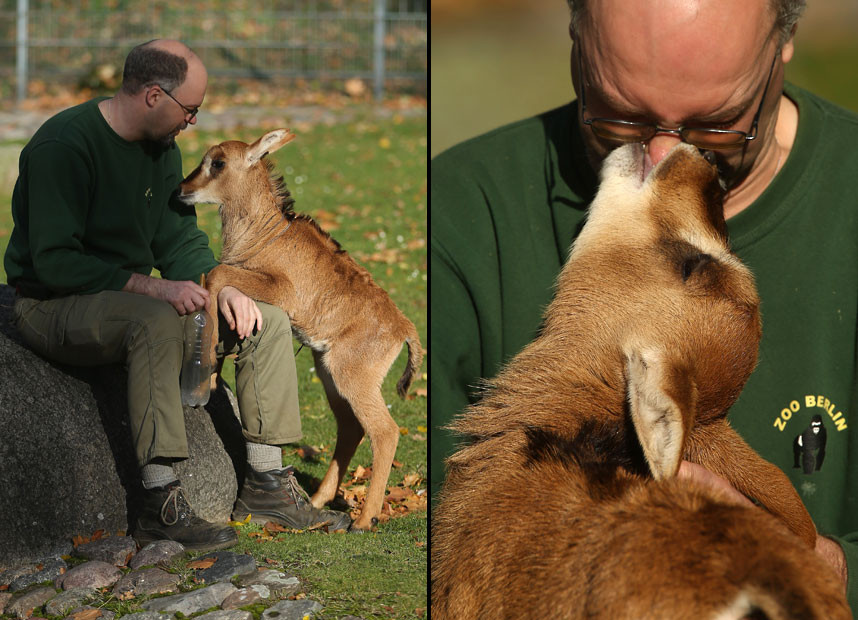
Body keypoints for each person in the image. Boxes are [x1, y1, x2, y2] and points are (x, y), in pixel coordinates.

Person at [431, 0, 858, 610]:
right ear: (575, 38)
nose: (662, 153)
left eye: (718, 122)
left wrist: (808, 564)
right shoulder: (457, 211)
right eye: (618, 117)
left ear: (784, 44)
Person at [4, 39, 351, 551]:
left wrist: (224, 286)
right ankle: (159, 501)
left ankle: (266, 484)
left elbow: (177, 240)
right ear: (151, 95)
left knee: (268, 319)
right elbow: (55, 262)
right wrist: (151, 285)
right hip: (52, 304)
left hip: (123, 296)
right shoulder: (64, 147)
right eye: (189, 110)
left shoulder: (162, 151)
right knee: (156, 322)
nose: (192, 123)